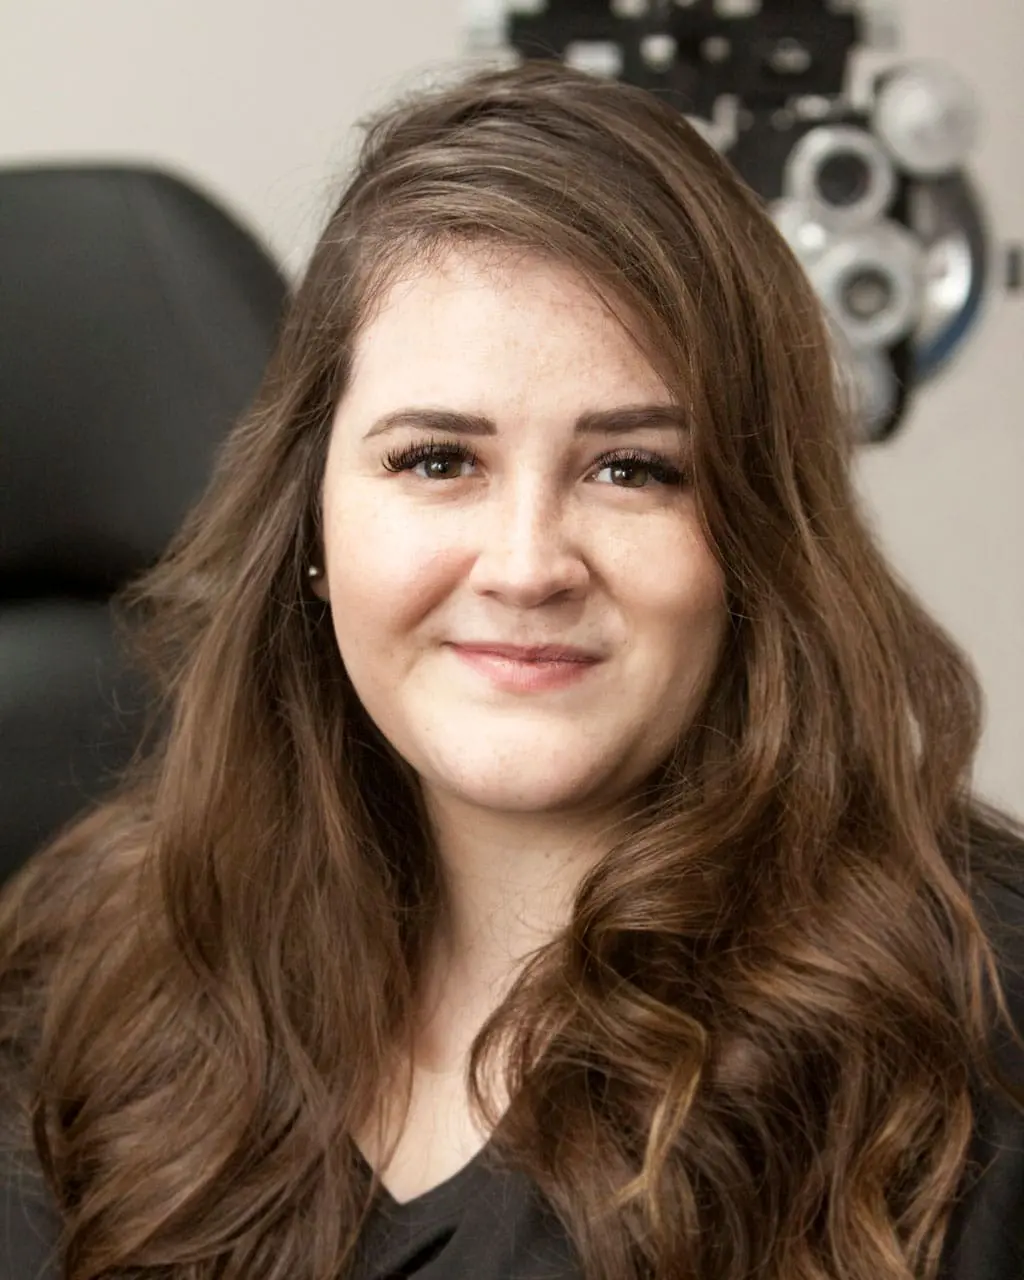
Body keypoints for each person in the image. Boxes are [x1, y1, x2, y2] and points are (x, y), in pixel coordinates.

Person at [1, 60, 1022, 1280]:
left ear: (755, 536)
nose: (528, 564)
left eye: (632, 468)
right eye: (437, 460)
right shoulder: (93, 969)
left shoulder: (971, 1032)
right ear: (311, 527)